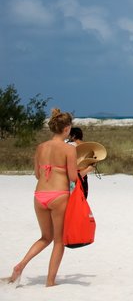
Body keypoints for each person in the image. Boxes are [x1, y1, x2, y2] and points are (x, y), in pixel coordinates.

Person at [6, 108, 77, 287]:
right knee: (59, 241)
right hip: (59, 196)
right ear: (67, 128)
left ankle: (20, 265)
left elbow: (38, 175)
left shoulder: (40, 147)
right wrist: (86, 169)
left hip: (40, 196)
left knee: (45, 237)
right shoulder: (69, 149)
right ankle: (50, 281)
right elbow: (73, 178)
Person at [67, 127, 97, 199]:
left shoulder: (69, 146)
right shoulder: (88, 148)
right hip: (84, 178)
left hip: (71, 177)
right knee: (82, 201)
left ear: (73, 136)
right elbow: (92, 165)